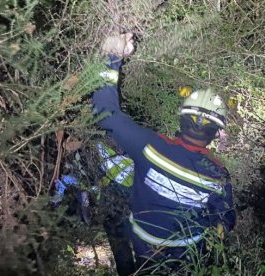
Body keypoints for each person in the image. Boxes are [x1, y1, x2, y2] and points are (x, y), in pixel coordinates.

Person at [93, 34, 236, 274]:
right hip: (189, 252)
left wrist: (112, 56)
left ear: (181, 119)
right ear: (215, 133)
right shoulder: (218, 175)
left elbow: (105, 112)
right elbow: (224, 219)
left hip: (145, 244)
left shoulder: (150, 147)